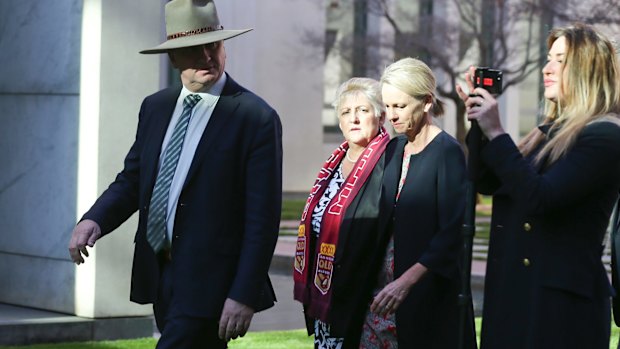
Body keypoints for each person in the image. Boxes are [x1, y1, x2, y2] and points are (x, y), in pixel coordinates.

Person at [67, 0, 282, 348]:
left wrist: (243, 292)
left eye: (213, 46)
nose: (208, 58)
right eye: (194, 51)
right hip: (159, 271)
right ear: (173, 58)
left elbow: (263, 217)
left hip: (213, 281)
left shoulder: (255, 117)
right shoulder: (155, 107)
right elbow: (133, 179)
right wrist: (95, 219)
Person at [457, 22, 620, 348]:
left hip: (558, 310)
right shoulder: (549, 131)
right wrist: (477, 122)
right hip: (517, 297)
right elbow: (489, 181)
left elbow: (540, 197)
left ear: (586, 67)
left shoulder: (606, 135)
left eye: (559, 60)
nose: (547, 68)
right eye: (548, 58)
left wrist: (498, 133)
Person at [362, 57, 476, 348]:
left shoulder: (447, 151)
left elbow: (453, 231)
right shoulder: (395, 147)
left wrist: (406, 281)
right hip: (383, 299)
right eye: (387, 106)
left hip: (427, 297)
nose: (392, 115)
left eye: (400, 106)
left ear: (426, 102)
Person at [293, 77, 390, 349]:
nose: (354, 118)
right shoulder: (333, 165)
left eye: (362, 110)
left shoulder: (390, 161)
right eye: (346, 112)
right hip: (327, 294)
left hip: (369, 295)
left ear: (380, 116)